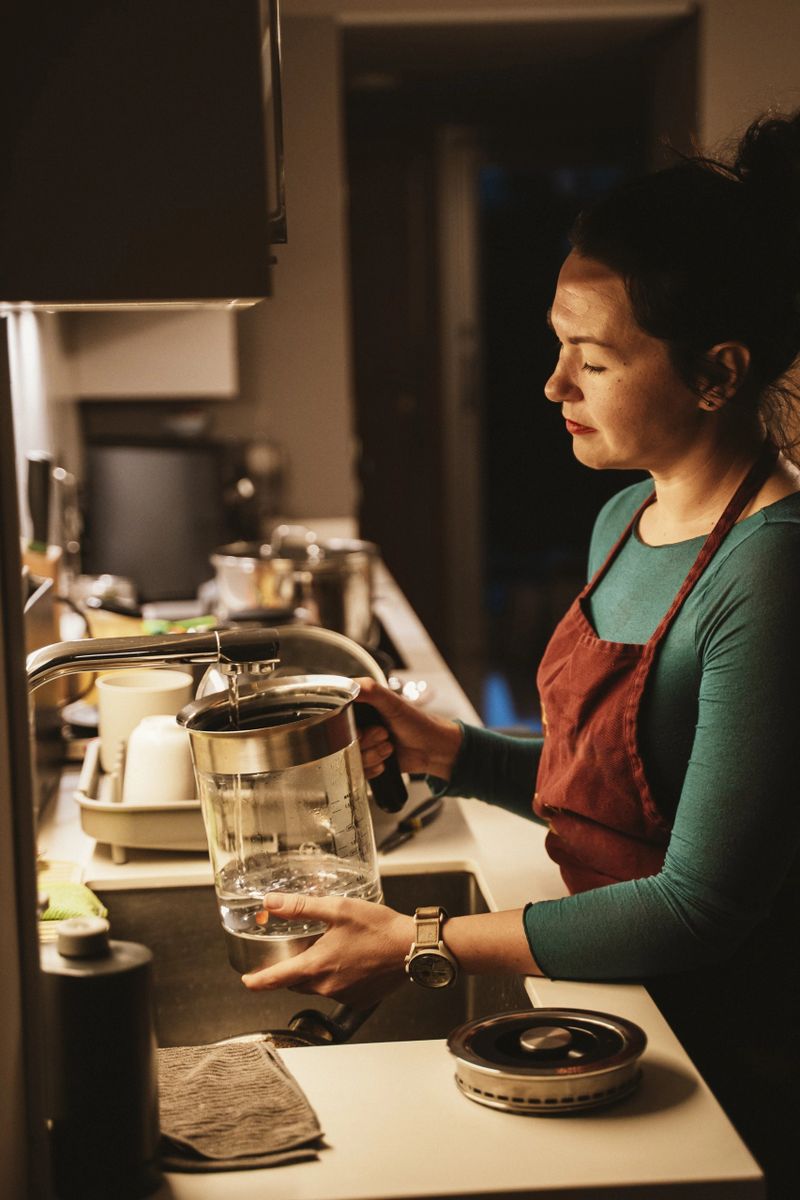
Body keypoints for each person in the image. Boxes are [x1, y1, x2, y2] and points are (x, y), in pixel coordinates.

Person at [243, 110, 800, 1197]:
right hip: (622, 996)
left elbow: (699, 902)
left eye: (590, 360)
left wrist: (419, 939)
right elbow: (617, 784)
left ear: (715, 373)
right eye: (558, 346)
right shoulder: (624, 521)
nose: (553, 385)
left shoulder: (770, 570)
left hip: (733, 1049)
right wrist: (453, 747)